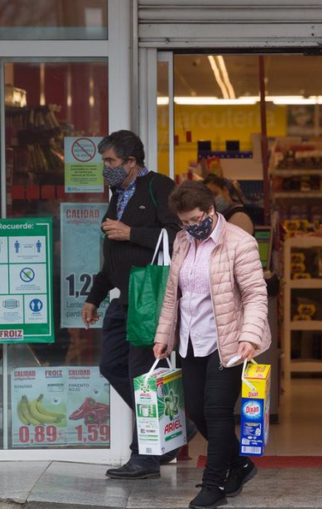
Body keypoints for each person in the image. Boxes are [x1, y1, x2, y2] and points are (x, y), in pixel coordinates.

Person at [153, 181, 271, 509]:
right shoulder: (182, 241)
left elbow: (255, 294)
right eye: (183, 222)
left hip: (229, 341)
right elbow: (172, 295)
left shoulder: (240, 242)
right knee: (196, 411)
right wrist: (164, 336)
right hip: (191, 340)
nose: (189, 227)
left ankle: (213, 484)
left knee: (217, 413)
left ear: (210, 210)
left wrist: (249, 335)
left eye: (194, 220)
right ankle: (241, 465)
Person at [81, 130, 187, 480]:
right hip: (122, 300)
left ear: (130, 162)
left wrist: (132, 233)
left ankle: (145, 456)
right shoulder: (119, 193)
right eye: (104, 162)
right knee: (112, 367)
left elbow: (179, 236)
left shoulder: (159, 187)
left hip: (149, 297)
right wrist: (95, 295)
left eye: (110, 162)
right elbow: (114, 253)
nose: (106, 168)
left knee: (142, 378)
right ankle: (169, 424)